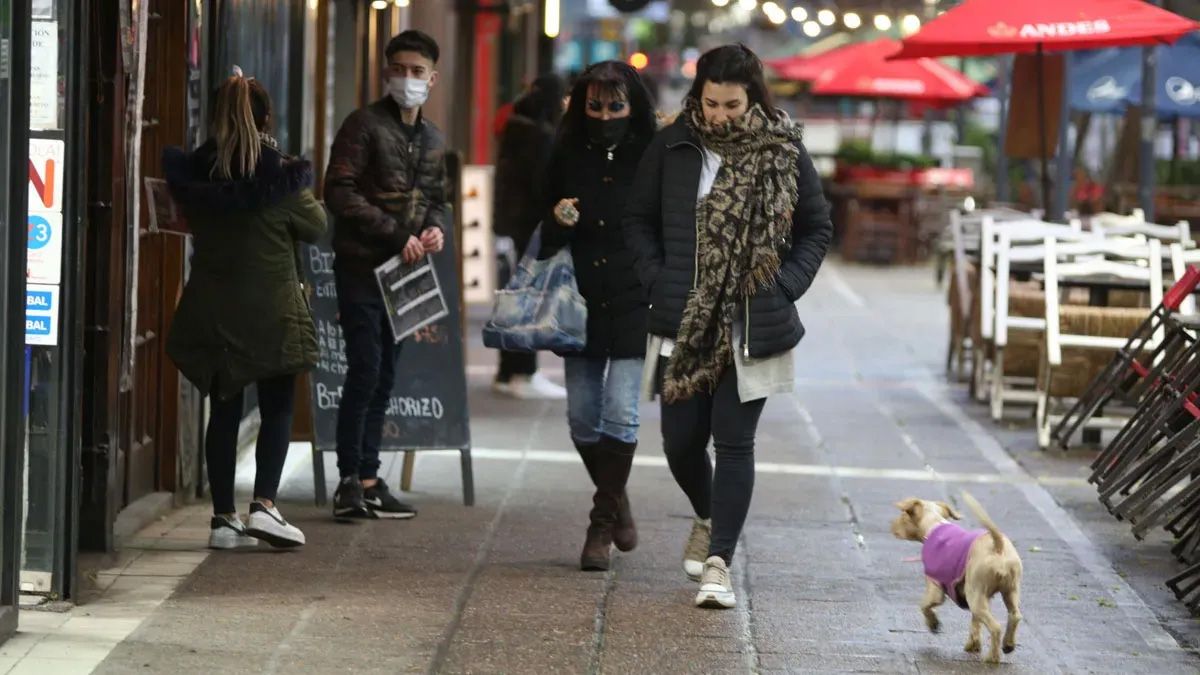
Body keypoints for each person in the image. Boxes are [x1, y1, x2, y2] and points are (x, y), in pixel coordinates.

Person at [623, 44, 833, 608]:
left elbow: (816, 228)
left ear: (753, 98)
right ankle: (708, 513)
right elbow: (638, 219)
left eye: (731, 105)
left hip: (751, 321)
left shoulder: (783, 149)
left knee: (735, 443)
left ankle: (718, 563)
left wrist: (782, 286)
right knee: (679, 444)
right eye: (711, 103)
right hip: (682, 318)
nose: (719, 115)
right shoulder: (673, 144)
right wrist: (657, 280)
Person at [163, 69, 326, 549]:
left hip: (214, 310)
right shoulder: (281, 177)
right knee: (277, 407)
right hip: (272, 311)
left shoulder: (195, 176)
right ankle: (265, 507)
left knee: (224, 408)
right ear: (266, 119)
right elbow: (316, 225)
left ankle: (222, 520)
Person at [539, 61, 657, 571]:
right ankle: (618, 497)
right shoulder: (565, 152)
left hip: (634, 299)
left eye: (615, 106)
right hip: (580, 299)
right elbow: (542, 231)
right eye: (595, 106)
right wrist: (558, 219)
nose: (605, 115)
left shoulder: (652, 155)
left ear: (633, 106)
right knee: (583, 418)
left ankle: (601, 525)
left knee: (621, 412)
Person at [324, 30, 447, 519]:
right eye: (399, 69)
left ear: (433, 79)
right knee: (365, 368)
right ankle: (348, 480)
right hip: (361, 266)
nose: (407, 79)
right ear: (385, 72)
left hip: (406, 273)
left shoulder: (433, 138)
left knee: (386, 374)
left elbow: (437, 199)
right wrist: (396, 234)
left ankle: (370, 479)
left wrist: (434, 229)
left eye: (417, 71)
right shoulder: (363, 124)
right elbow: (339, 190)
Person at [491, 73, 569, 400]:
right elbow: (543, 187)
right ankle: (523, 372)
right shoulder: (540, 137)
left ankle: (509, 371)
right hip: (530, 229)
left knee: (514, 300)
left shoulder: (515, 129)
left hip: (511, 226)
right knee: (529, 299)